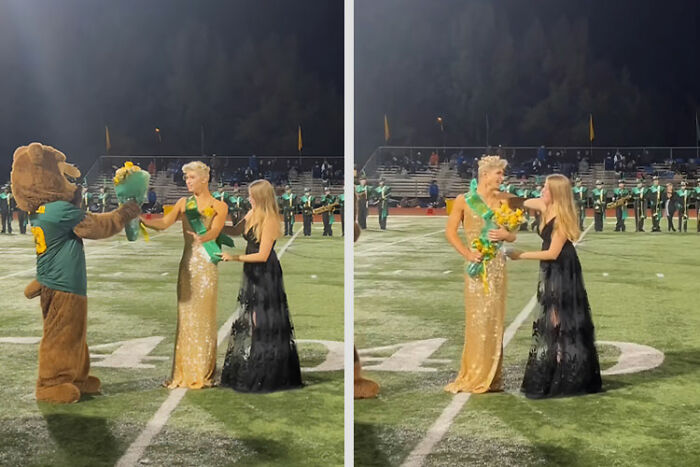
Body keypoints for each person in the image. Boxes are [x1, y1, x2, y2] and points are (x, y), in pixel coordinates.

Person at [507, 174, 602, 398]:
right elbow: (522, 202)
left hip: (562, 266)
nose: (542, 190)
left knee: (560, 315)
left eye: (546, 188)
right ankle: (558, 359)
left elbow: (552, 253)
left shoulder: (561, 217)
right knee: (552, 314)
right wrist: (501, 197)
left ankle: (563, 365)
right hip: (551, 267)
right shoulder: (544, 205)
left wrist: (520, 255)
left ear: (557, 194)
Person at [139, 161, 228, 389]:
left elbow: (216, 231)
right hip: (187, 266)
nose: (187, 181)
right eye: (186, 178)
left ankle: (203, 372)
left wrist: (204, 238)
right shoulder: (182, 203)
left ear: (204, 178)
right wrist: (141, 219)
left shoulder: (220, 205)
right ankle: (183, 371)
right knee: (186, 318)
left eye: (191, 177)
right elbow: (163, 224)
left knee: (205, 318)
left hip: (207, 266)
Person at [218, 179, 303, 393]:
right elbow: (236, 231)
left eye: (252, 196)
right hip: (252, 271)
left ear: (261, 197)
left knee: (263, 317)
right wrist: (212, 227)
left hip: (265, 271)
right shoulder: (251, 213)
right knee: (255, 316)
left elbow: (263, 255)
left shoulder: (271, 219)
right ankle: (260, 359)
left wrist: (234, 258)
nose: (249, 198)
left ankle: (269, 367)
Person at [444, 155, 516, 394]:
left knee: (495, 320)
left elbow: (513, 234)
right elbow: (450, 232)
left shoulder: (505, 200)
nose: (502, 178)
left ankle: (493, 376)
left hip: (497, 267)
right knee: (477, 320)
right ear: (485, 174)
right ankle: (474, 371)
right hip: (476, 268)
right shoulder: (464, 200)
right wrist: (467, 253)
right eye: (499, 174)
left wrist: (506, 236)